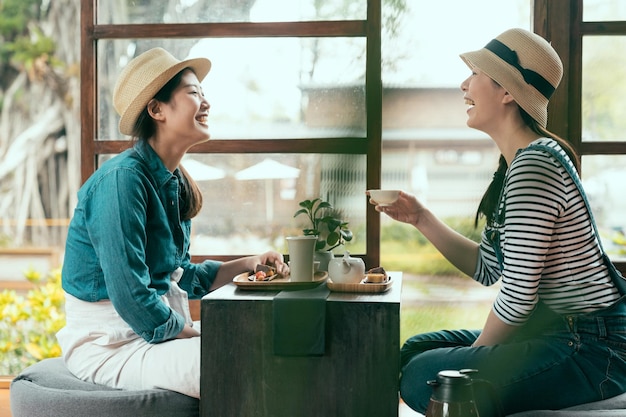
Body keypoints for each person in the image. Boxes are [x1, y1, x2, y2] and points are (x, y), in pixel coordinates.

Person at [369, 28, 626, 415]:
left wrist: (467, 363)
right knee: (415, 351)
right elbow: (489, 269)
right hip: (557, 336)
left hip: (595, 350)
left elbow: (519, 299)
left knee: (424, 376)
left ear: (507, 92)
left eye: (475, 74)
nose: (463, 84)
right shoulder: (517, 166)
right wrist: (421, 218)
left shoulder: (534, 166)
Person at [56, 47, 288, 399]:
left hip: (149, 335)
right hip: (110, 346)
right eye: (194, 93)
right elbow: (130, 294)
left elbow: (181, 277)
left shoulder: (173, 182)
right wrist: (192, 333)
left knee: (269, 349)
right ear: (156, 109)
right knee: (239, 360)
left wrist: (247, 264)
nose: (206, 102)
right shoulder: (121, 181)